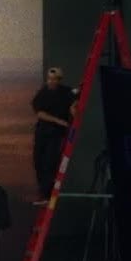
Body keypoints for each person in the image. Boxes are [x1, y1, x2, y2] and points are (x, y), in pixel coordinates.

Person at [32, 66, 77, 201]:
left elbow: (76, 96)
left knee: (50, 162)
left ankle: (47, 192)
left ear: (59, 80)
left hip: (55, 135)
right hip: (42, 133)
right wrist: (58, 121)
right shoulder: (43, 93)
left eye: (54, 79)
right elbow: (40, 113)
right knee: (38, 161)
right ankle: (43, 191)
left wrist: (73, 107)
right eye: (49, 79)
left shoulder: (66, 92)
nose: (51, 81)